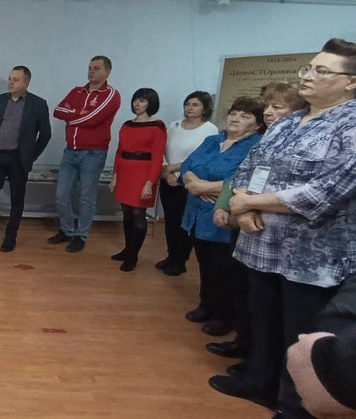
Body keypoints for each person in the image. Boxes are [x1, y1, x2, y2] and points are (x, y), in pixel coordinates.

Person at [208, 38, 356, 419]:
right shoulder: (289, 121)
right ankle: (258, 382)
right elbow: (252, 165)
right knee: (264, 321)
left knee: (300, 337)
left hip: (313, 257)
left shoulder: (350, 126)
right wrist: (243, 206)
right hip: (263, 244)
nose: (307, 76)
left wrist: (251, 202)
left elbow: (327, 192)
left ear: (350, 82)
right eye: (308, 68)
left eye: (321, 71)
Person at [206, 82, 307, 362]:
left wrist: (249, 206)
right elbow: (242, 175)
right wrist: (231, 205)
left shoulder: (297, 140)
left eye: (278, 107)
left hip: (273, 228)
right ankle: (244, 344)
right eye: (267, 106)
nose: (269, 112)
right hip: (246, 222)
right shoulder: (268, 139)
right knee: (244, 289)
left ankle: (257, 360)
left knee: (265, 302)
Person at [180, 97, 264, 337]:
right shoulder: (213, 140)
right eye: (234, 113)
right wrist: (193, 183)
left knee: (223, 269)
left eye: (245, 116)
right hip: (197, 213)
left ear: (258, 124)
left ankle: (224, 316)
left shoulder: (256, 146)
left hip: (224, 215)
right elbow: (187, 165)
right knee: (204, 264)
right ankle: (206, 305)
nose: (236, 119)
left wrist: (203, 187)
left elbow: (244, 179)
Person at [0, 66, 51, 253]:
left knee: (17, 200)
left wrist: (31, 156)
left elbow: (45, 135)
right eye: (9, 78)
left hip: (19, 159)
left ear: (26, 82)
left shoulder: (38, 104)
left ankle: (10, 238)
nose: (10, 82)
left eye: (15, 79)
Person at [49, 56, 121, 253]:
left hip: (93, 153)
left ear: (107, 72)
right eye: (89, 67)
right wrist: (77, 113)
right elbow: (58, 111)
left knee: (86, 197)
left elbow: (92, 118)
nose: (91, 71)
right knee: (61, 195)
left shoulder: (111, 94)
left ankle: (81, 236)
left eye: (96, 68)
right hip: (70, 152)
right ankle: (66, 230)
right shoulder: (77, 91)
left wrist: (72, 115)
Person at [156, 92, 218, 276]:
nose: (190, 108)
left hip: (190, 182)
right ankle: (171, 255)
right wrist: (166, 171)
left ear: (205, 108)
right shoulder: (174, 126)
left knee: (185, 223)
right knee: (170, 221)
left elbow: (202, 159)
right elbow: (162, 149)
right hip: (168, 179)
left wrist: (176, 172)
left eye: (195, 105)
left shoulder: (210, 129)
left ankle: (180, 260)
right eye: (188, 104)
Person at [108, 88, 166, 271]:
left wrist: (149, 183)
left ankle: (133, 256)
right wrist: (115, 176)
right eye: (135, 100)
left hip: (143, 173)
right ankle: (127, 249)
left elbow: (157, 157)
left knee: (138, 214)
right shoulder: (127, 125)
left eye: (142, 100)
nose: (137, 104)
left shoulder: (157, 126)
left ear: (151, 103)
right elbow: (119, 152)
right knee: (126, 212)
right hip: (125, 171)